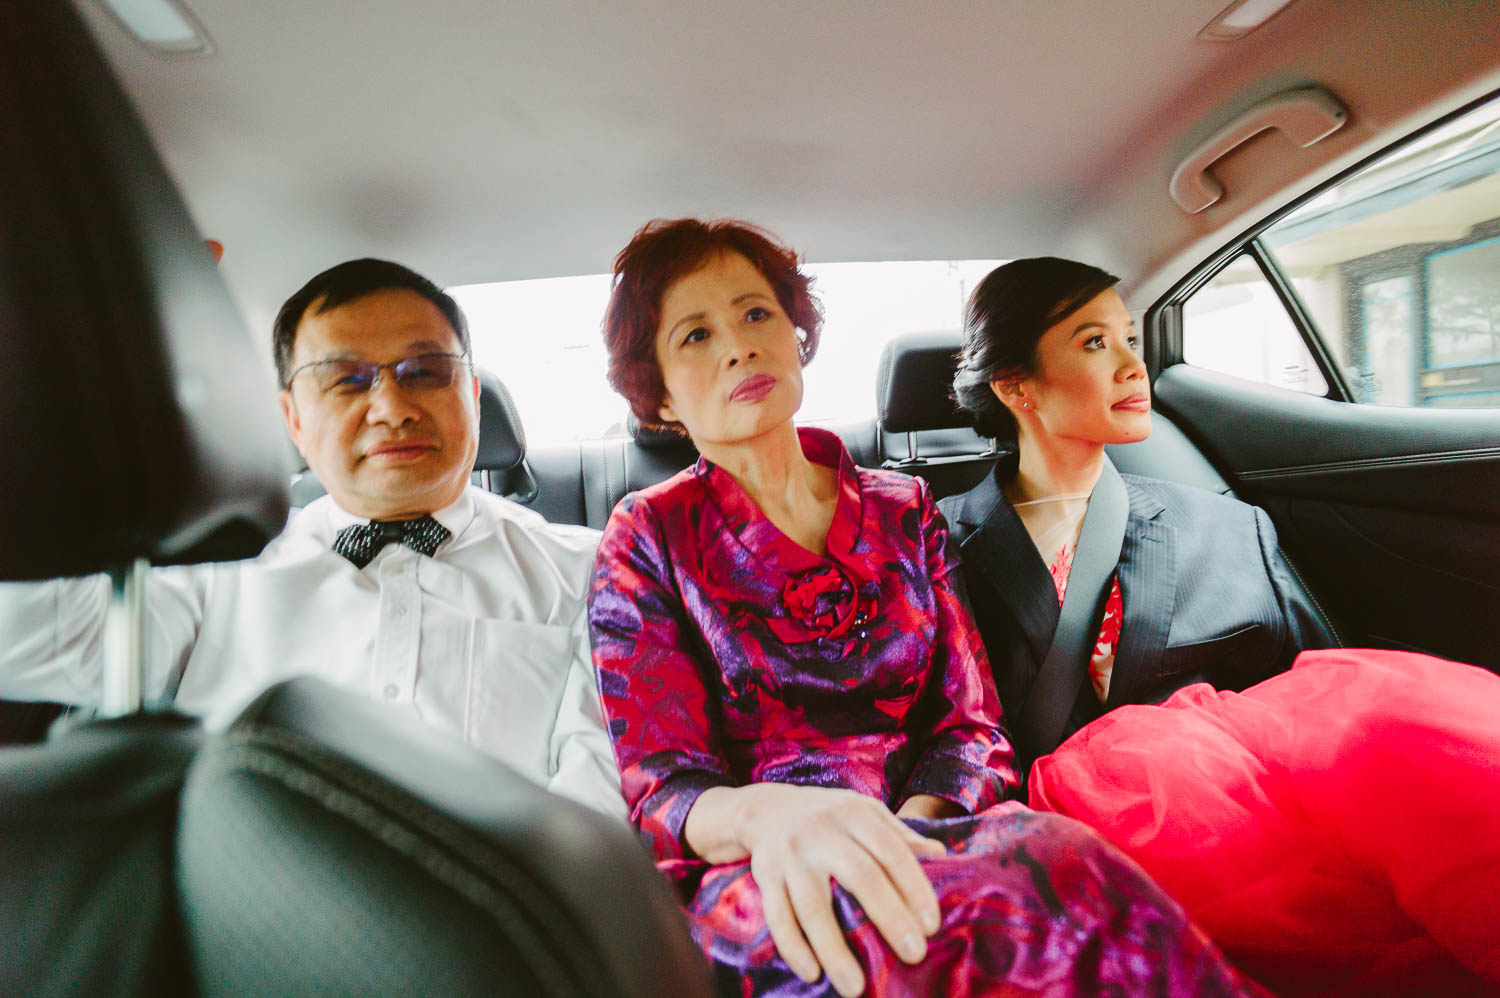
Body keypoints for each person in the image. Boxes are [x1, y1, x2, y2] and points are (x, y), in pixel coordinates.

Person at [588, 218, 1263, 998]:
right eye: (695, 336)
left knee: (1080, 882)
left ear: (794, 333)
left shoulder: (904, 507)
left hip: (938, 830)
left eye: (755, 314)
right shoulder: (647, 537)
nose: (738, 345)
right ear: (660, 395)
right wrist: (772, 821)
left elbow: (970, 724)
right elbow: (664, 785)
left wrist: (909, 834)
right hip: (769, 864)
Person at [942, 256, 1500, 997]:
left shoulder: (1228, 525)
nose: (1134, 367)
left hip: (1259, 849)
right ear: (1017, 387)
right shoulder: (931, 547)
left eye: (1131, 339)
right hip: (1058, 862)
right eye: (1093, 343)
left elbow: (1318, 693)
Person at [0, 258, 625, 820]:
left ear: (473, 398)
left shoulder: (594, 572)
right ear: (293, 419)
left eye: (426, 371)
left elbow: (601, 798)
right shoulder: (212, 567)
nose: (391, 408)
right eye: (347, 380)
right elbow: (19, 642)